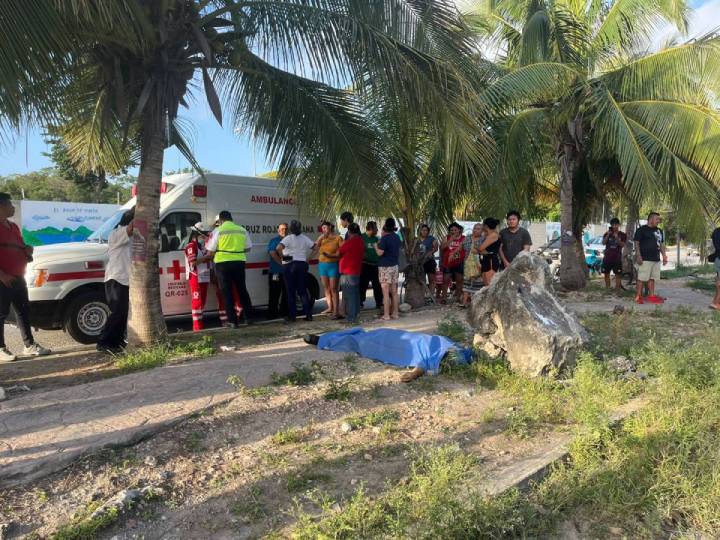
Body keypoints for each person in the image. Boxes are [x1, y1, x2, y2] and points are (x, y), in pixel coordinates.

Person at [0, 194, 51, 361]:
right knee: (1, 314)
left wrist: (27, 250)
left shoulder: (13, 226)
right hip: (3, 279)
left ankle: (29, 345)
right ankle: (1, 349)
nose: (13, 207)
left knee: (23, 312)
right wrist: (2, 275)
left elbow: (20, 246)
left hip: (18, 277)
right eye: (9, 204)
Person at [204, 210, 253, 327]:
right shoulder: (241, 230)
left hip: (223, 264)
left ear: (220, 220)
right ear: (231, 219)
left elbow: (210, 251)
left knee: (227, 292)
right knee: (242, 290)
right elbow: (248, 248)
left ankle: (232, 321)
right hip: (239, 262)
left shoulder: (218, 231)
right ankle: (249, 318)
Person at [97, 208, 134, 353]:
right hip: (116, 279)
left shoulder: (131, 236)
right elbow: (131, 228)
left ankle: (116, 342)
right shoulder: (117, 233)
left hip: (126, 279)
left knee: (124, 313)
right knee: (118, 312)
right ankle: (103, 342)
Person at [277, 220, 316, 322]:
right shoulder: (304, 238)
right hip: (302, 265)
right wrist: (308, 259)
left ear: (290, 229)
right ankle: (308, 315)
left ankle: (292, 316)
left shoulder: (288, 238)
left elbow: (278, 248)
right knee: (302, 291)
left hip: (290, 265)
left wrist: (283, 258)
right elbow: (316, 248)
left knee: (291, 292)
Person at [633, 212, 668, 304]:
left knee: (652, 278)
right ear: (651, 219)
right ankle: (638, 296)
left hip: (656, 259)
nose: (658, 221)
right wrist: (638, 255)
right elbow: (636, 243)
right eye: (657, 219)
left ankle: (651, 296)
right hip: (645, 258)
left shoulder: (659, 231)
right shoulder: (641, 230)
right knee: (641, 278)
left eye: (659, 219)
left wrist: (664, 255)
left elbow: (661, 244)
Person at [184, 222, 211, 331]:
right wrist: (206, 258)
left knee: (202, 301)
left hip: (205, 276)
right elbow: (193, 263)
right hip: (196, 277)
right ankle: (197, 327)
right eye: (202, 235)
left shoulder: (203, 246)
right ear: (196, 234)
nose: (204, 237)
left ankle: (200, 324)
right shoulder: (191, 246)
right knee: (197, 301)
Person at [374, 217, 401, 321]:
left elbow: (380, 253)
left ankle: (386, 315)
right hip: (395, 266)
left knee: (385, 292)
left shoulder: (384, 239)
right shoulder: (396, 237)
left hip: (385, 267)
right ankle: (395, 313)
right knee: (394, 291)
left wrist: (376, 246)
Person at [338, 223, 365, 323]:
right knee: (355, 294)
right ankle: (356, 314)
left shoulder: (350, 242)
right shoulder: (361, 241)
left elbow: (339, 251)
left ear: (349, 232)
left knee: (350, 296)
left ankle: (351, 318)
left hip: (348, 272)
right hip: (356, 271)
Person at [316, 221, 342, 318]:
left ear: (330, 227)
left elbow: (340, 253)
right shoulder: (322, 238)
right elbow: (315, 247)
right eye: (322, 228)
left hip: (333, 265)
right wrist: (320, 238)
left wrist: (330, 255)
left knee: (334, 288)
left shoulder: (338, 238)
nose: (323, 230)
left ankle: (336, 310)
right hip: (323, 265)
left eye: (325, 228)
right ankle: (330, 307)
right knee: (326, 288)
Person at [359, 221, 383, 311]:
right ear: (371, 229)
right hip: (365, 265)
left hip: (375, 265)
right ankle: (360, 302)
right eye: (375, 229)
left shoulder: (376, 239)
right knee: (363, 285)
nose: (377, 230)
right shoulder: (362, 237)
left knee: (377, 285)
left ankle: (379, 302)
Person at [267, 223, 289, 320]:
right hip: (275, 272)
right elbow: (272, 253)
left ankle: (284, 312)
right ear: (278, 230)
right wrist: (282, 263)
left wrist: (286, 264)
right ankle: (272, 314)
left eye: (285, 229)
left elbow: (289, 254)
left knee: (286, 293)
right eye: (281, 229)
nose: (283, 231)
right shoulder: (275, 241)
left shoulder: (289, 241)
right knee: (274, 293)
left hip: (286, 272)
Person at [440, 222, 465, 304]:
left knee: (459, 280)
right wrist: (451, 239)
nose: (453, 231)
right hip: (448, 263)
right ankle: (444, 298)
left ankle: (458, 298)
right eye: (451, 230)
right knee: (446, 280)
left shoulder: (464, 238)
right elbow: (442, 247)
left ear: (459, 230)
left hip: (459, 262)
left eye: (455, 230)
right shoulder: (446, 237)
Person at [461, 223, 484, 304]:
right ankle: (464, 303)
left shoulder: (484, 239)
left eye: (478, 229)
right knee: (466, 283)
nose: (476, 230)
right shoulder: (467, 237)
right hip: (467, 263)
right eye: (475, 228)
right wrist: (453, 253)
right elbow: (461, 247)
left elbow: (484, 251)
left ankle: (475, 304)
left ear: (482, 230)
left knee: (477, 283)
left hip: (478, 263)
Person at [602, 218, 627, 290]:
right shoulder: (607, 234)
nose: (615, 226)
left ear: (619, 225)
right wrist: (608, 235)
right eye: (613, 225)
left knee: (618, 275)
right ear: (611, 225)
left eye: (616, 224)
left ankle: (617, 290)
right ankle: (608, 289)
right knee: (606, 273)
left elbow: (623, 245)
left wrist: (617, 238)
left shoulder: (622, 235)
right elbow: (603, 243)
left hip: (617, 258)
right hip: (607, 258)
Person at [478, 218, 501, 286]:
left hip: (490, 261)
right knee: (486, 284)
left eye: (483, 224)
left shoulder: (493, 235)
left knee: (489, 285)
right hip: (486, 259)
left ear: (486, 226)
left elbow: (480, 248)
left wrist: (481, 250)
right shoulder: (487, 235)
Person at [418, 224, 439, 288]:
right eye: (423, 230)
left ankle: (431, 295)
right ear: (419, 231)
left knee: (431, 279)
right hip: (420, 262)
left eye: (426, 230)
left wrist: (431, 252)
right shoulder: (416, 239)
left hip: (429, 261)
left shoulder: (431, 238)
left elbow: (436, 248)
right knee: (421, 280)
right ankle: (422, 294)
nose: (425, 232)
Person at [711, 224, 720, 310]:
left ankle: (715, 302)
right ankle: (716, 303)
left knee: (718, 281)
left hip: (718, 258)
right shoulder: (717, 232)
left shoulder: (716, 231)